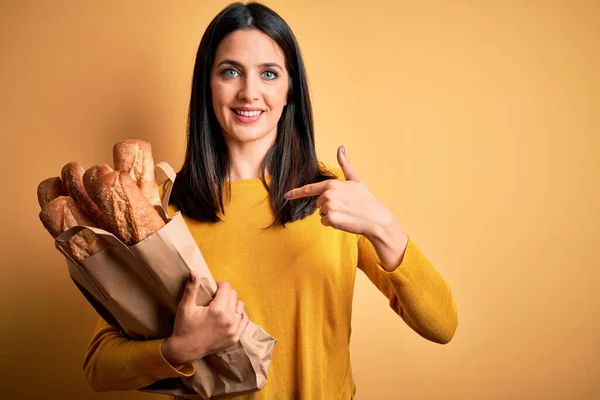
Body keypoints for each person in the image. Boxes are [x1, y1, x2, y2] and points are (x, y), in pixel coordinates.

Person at [82, 2, 458, 399]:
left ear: (289, 88)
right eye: (230, 71)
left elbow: (442, 326)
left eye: (268, 73)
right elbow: (99, 368)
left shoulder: (334, 199)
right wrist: (182, 348)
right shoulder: (161, 210)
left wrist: (383, 226)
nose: (249, 92)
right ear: (207, 85)